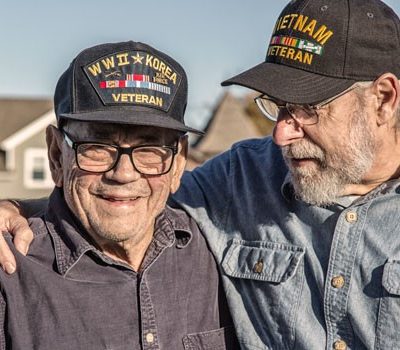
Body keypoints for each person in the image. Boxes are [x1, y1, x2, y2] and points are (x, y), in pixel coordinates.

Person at [1, 0, 400, 349]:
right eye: (278, 107)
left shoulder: (233, 195)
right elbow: (132, 196)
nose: (280, 134)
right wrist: (16, 208)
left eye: (308, 110)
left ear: (383, 99)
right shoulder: (242, 175)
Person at [0, 41, 239, 349]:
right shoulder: (9, 276)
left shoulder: (223, 254)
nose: (124, 174)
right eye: (97, 147)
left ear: (178, 162)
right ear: (57, 155)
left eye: (150, 148)